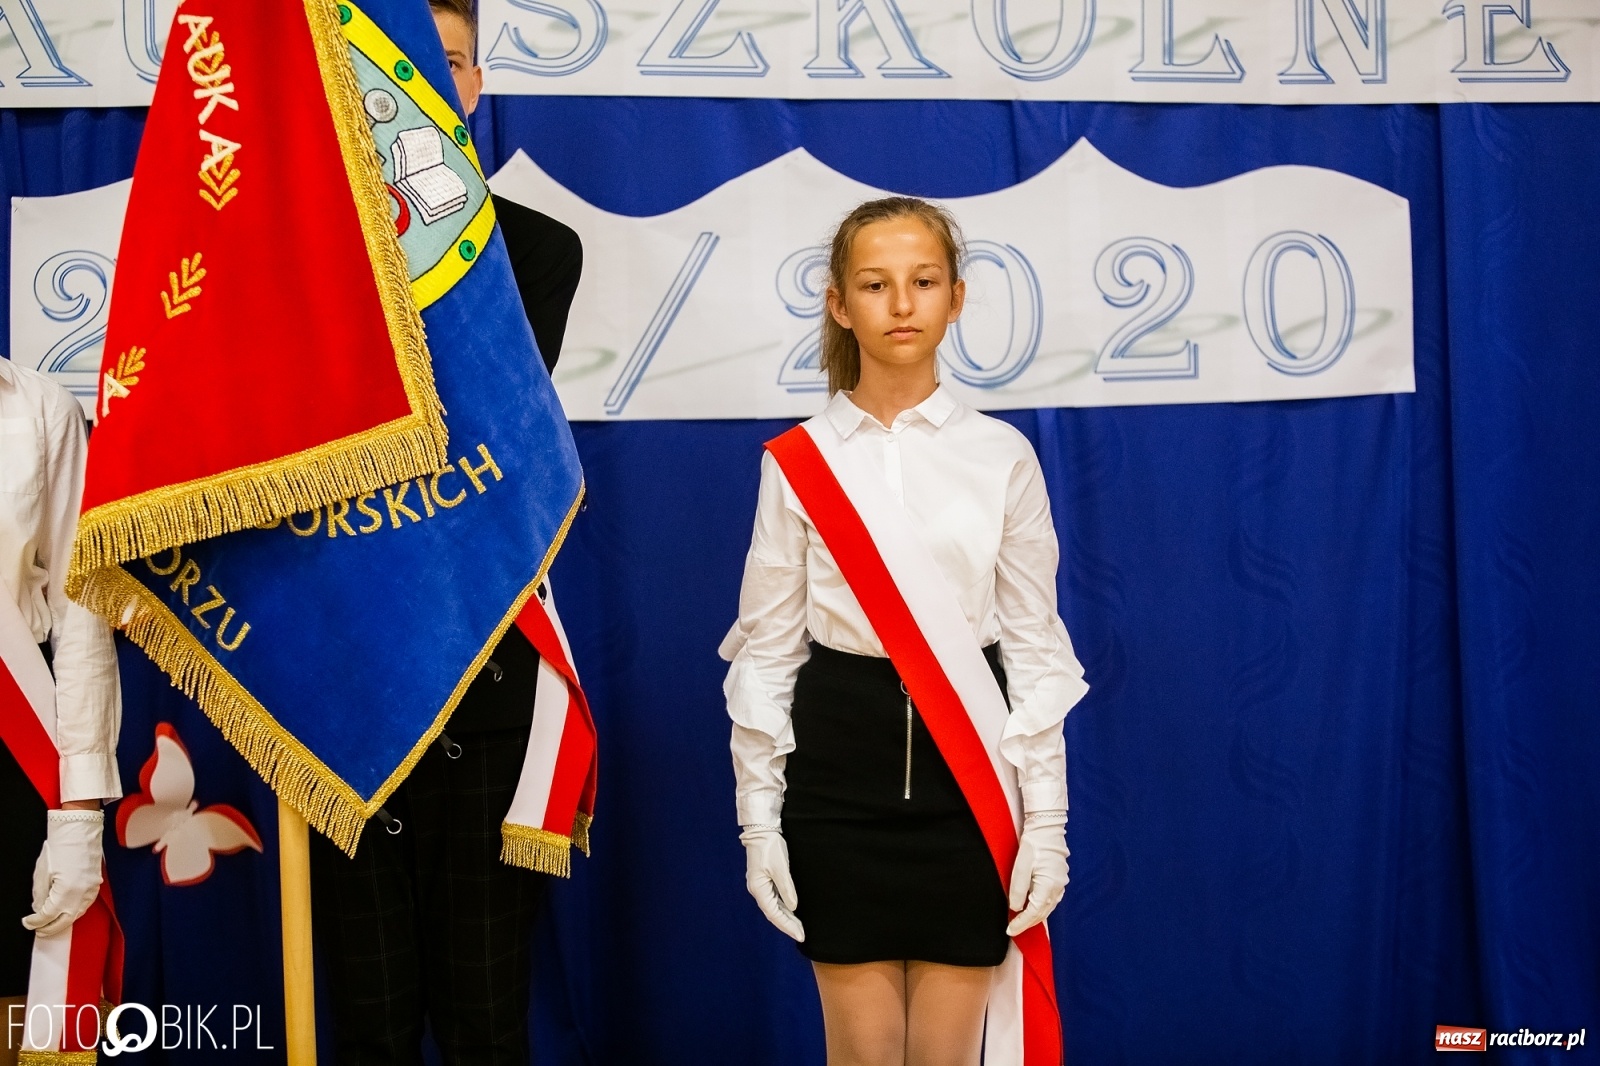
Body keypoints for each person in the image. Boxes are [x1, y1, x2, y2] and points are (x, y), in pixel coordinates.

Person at [721, 197, 1088, 1066]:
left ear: (955, 299)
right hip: (837, 785)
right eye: (875, 284)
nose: (901, 304)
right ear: (839, 304)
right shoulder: (799, 463)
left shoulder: (1002, 455)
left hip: (970, 782)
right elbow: (768, 651)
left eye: (923, 282)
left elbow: (1034, 648)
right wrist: (759, 822)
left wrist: (1047, 821)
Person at [305, 2, 584, 1062]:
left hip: (481, 664)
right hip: (340, 675)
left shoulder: (537, 250)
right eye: (405, 59)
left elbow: (460, 424)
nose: (430, 77)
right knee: (368, 1016)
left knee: (484, 1011)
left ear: (472, 85)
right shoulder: (296, 257)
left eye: (450, 59)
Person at [0, 358, 121, 1066]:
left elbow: (81, 614)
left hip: (12, 744)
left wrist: (78, 813)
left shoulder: (41, 407)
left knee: (22, 1020)